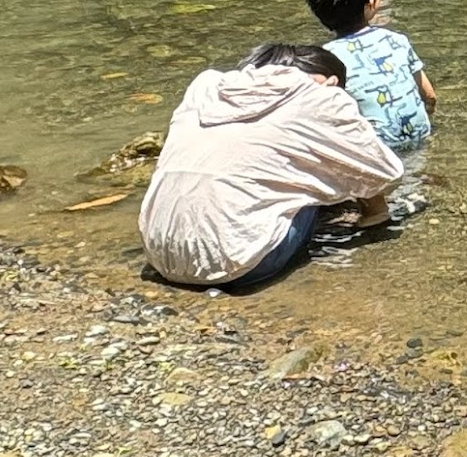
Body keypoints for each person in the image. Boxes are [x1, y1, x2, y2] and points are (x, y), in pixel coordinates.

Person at [138, 43, 402, 292]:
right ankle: (374, 218)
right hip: (241, 267)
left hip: (160, 256)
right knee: (314, 173)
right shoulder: (317, 97)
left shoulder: (205, 88)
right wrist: (334, 100)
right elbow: (386, 172)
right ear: (328, 80)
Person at [303, 0, 436, 149]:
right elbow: (430, 96)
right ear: (371, 3)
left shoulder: (324, 60)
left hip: (373, 149)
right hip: (419, 138)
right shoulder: (396, 41)